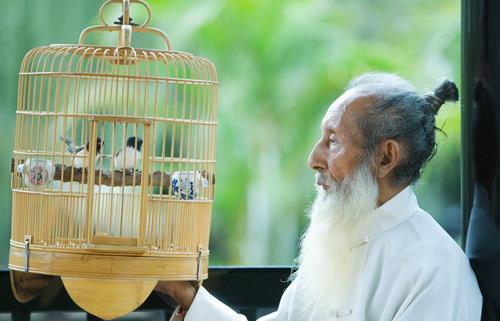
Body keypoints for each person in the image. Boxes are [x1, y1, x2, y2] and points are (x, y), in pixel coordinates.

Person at [155, 72, 483, 321]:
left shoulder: (433, 269)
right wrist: (189, 297)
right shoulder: (339, 246)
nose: (313, 158)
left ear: (385, 158)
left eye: (333, 141)